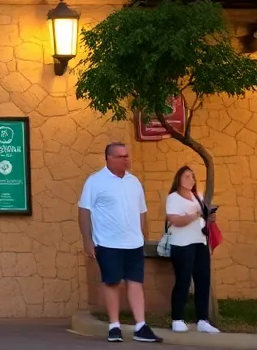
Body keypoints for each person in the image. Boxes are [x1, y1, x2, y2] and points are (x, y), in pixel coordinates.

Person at [78, 142, 160, 343]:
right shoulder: (95, 181)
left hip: (133, 243)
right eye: (121, 156)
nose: (126, 159)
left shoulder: (134, 182)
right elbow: (84, 211)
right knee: (112, 282)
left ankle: (141, 326)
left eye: (127, 156)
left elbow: (142, 212)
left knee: (135, 282)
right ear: (109, 159)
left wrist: (144, 237)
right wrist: (87, 241)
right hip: (107, 243)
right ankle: (114, 325)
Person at [165, 166, 220, 335]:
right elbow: (175, 220)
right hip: (182, 244)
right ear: (179, 179)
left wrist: (210, 216)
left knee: (203, 281)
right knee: (183, 281)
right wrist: (196, 214)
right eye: (187, 176)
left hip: (200, 242)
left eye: (193, 177)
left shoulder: (198, 196)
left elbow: (203, 219)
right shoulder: (173, 198)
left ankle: (203, 320)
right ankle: (177, 319)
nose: (191, 180)